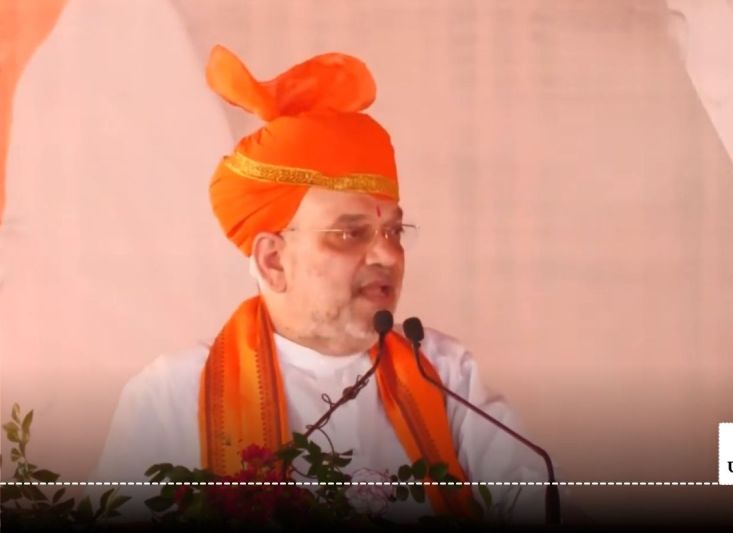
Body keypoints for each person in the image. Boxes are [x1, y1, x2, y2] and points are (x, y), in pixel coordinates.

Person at [93, 45, 548, 525]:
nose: (388, 256)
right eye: (350, 234)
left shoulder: (445, 375)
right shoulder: (173, 397)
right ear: (273, 260)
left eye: (394, 231)